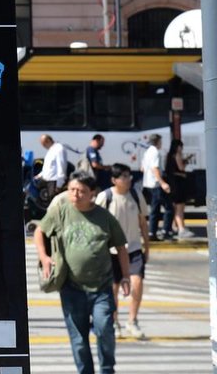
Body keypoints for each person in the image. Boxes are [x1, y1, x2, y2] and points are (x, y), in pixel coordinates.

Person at [35, 170, 129, 374]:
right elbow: (39, 231)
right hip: (72, 288)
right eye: (72, 190)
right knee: (78, 339)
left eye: (81, 191)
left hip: (102, 288)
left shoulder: (104, 217)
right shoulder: (61, 211)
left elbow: (121, 247)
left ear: (92, 193)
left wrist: (126, 276)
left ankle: (107, 369)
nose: (75, 194)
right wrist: (44, 257)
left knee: (104, 330)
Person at [100, 163, 150, 340]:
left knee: (137, 283)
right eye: (124, 177)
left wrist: (147, 246)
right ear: (114, 180)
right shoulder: (105, 197)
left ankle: (133, 320)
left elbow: (143, 222)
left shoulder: (136, 195)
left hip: (134, 248)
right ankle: (114, 322)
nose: (128, 179)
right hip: (112, 251)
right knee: (113, 289)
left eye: (129, 176)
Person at [140, 134, 172, 241]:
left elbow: (142, 168)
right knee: (169, 208)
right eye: (161, 141)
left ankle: (152, 232)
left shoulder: (147, 152)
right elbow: (155, 169)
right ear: (157, 141)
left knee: (154, 209)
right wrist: (163, 183)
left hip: (148, 184)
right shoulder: (155, 152)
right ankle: (165, 231)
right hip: (156, 184)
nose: (161, 144)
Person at [166, 139, 191, 239]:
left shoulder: (169, 156)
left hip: (173, 183)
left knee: (175, 207)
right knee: (180, 207)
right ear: (178, 147)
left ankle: (174, 226)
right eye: (181, 146)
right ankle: (181, 229)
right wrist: (185, 162)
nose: (182, 148)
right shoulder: (177, 155)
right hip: (179, 184)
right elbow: (181, 168)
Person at [38, 134, 70, 202]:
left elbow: (62, 166)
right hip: (49, 181)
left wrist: (59, 185)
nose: (44, 146)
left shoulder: (59, 149)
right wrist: (40, 175)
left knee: (55, 203)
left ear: (48, 140)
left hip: (55, 182)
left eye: (44, 144)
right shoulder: (51, 150)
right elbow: (48, 167)